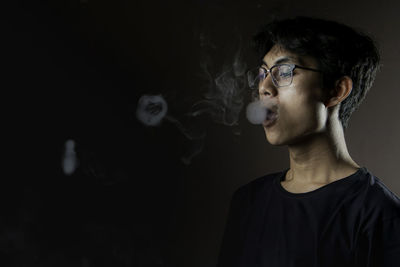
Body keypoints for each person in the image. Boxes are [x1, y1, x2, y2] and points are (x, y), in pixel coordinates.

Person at [217, 16, 400, 267]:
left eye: (284, 72)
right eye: (262, 74)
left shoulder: (379, 215)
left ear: (336, 91)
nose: (264, 88)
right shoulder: (248, 201)